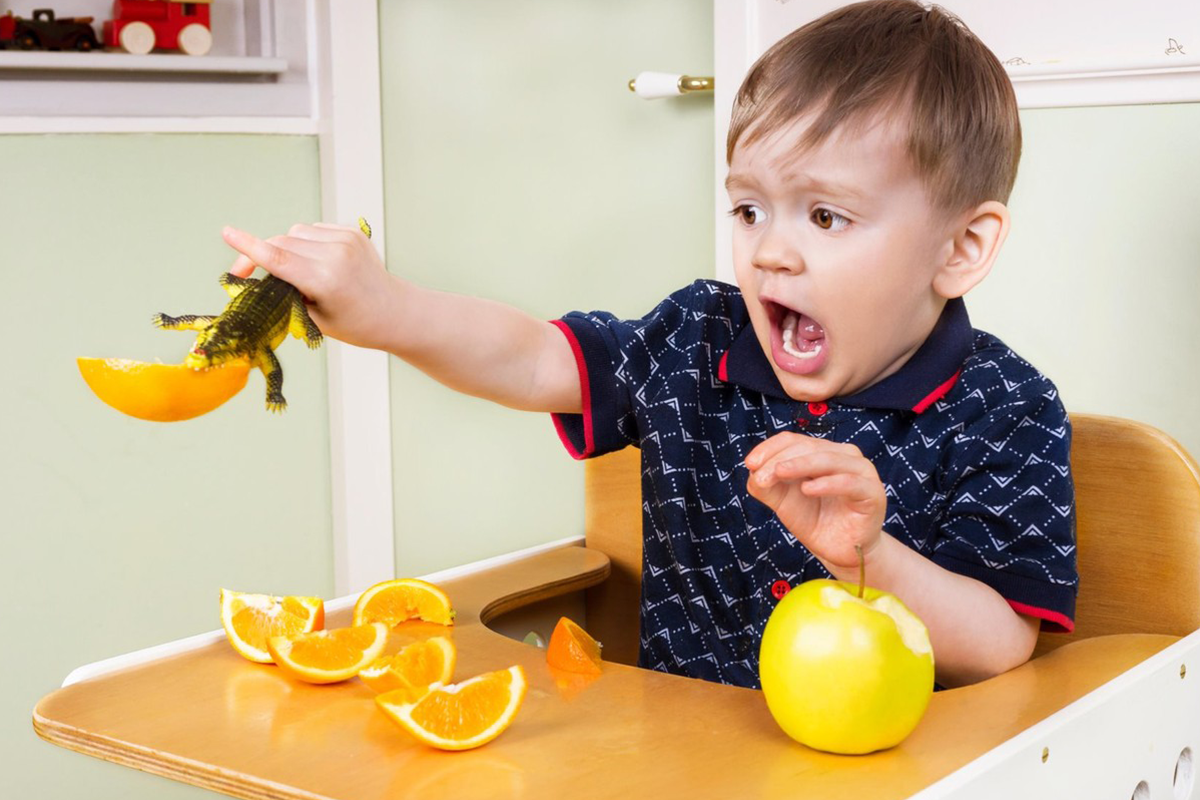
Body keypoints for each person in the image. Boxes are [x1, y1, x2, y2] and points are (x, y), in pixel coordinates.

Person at [221, 0, 1076, 691]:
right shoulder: (695, 341)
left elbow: (1002, 642)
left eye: (825, 216)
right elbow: (528, 358)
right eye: (749, 209)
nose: (770, 250)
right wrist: (383, 308)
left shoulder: (1005, 408)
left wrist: (869, 557)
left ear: (961, 249)